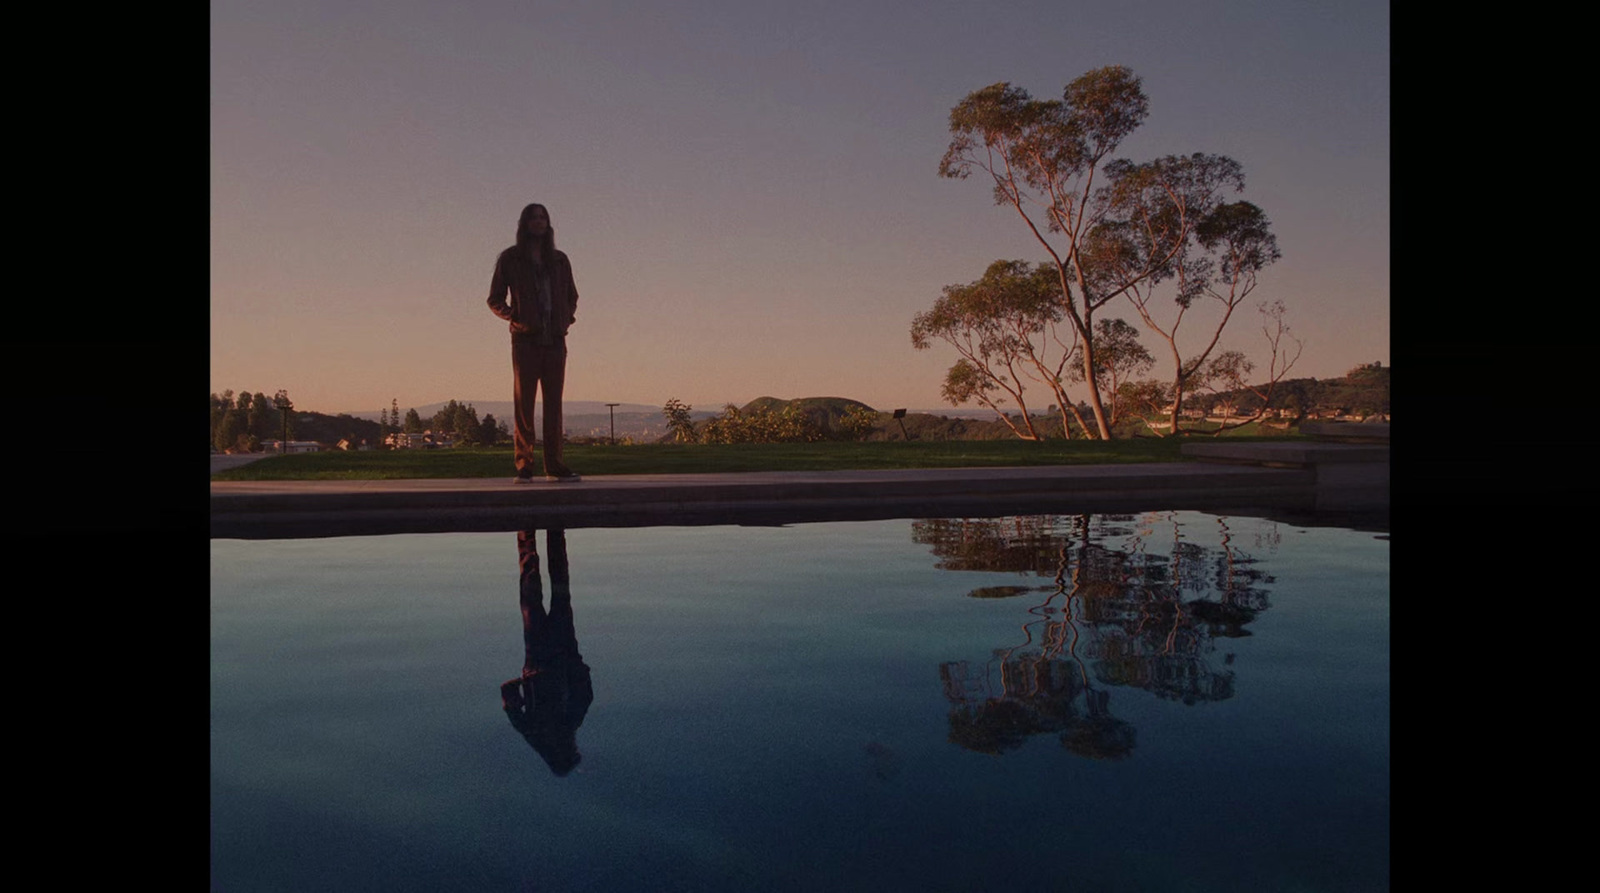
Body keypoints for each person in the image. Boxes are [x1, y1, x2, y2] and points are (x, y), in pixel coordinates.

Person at [486, 202, 582, 483]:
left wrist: (565, 320)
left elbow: (572, 297)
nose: (539, 222)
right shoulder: (510, 259)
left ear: (548, 224)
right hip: (525, 342)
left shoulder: (560, 260)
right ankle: (524, 464)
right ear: (525, 223)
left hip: (554, 341)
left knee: (554, 405)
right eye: (534, 217)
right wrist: (514, 318)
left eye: (543, 217)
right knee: (524, 404)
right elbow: (494, 298)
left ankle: (554, 465)